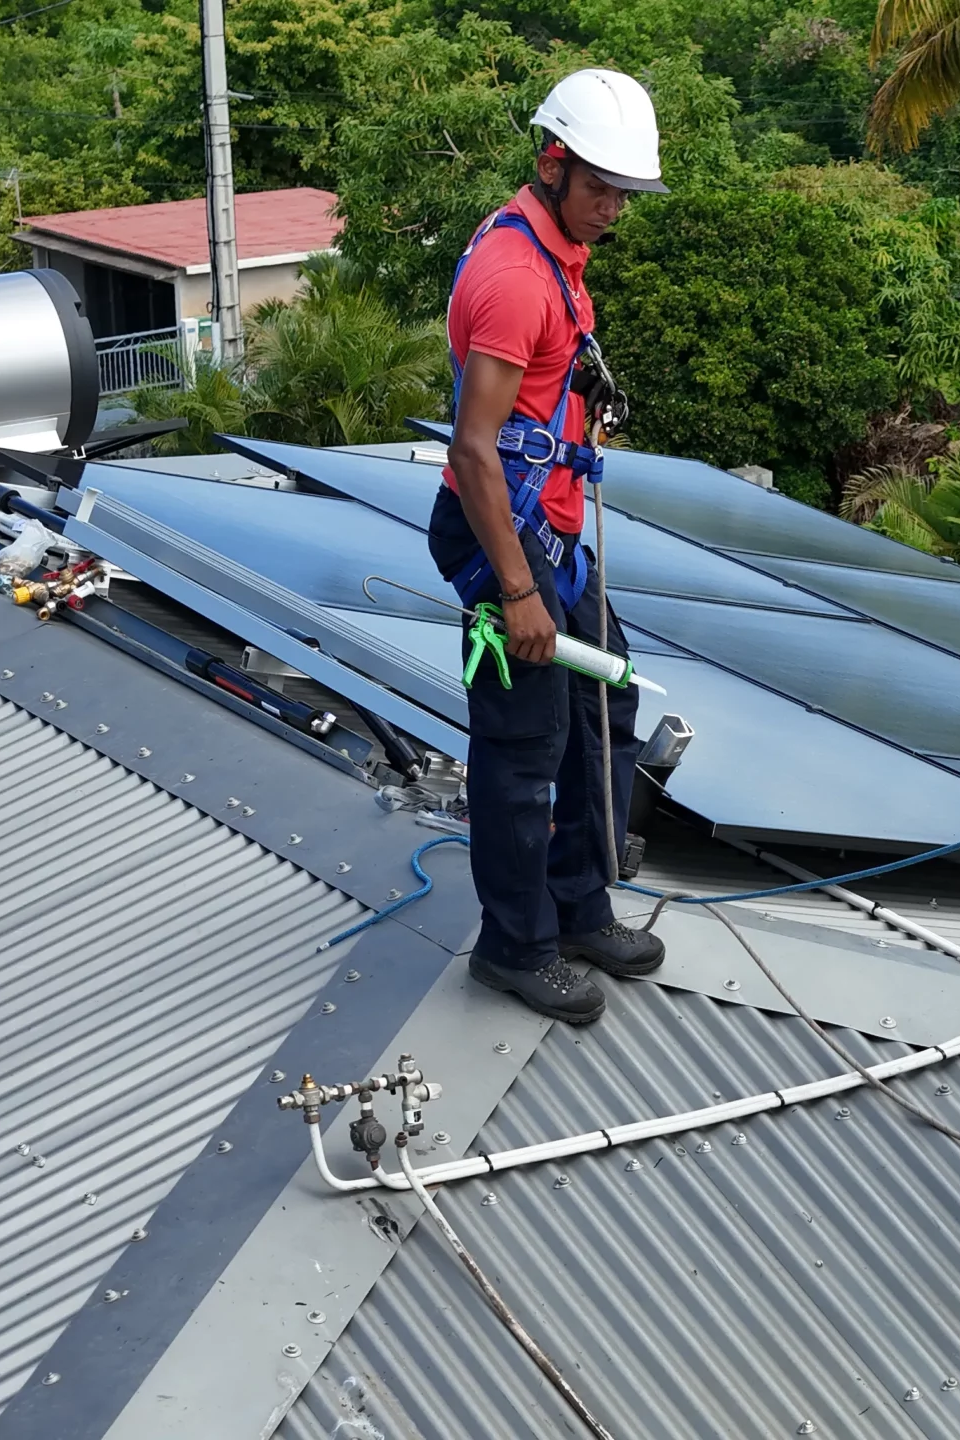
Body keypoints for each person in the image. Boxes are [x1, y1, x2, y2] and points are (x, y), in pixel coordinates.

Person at [427, 69, 669, 1025]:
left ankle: (578, 907)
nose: (613, 207)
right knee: (526, 747)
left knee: (602, 700)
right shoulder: (515, 277)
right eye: (600, 186)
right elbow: (474, 449)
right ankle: (515, 944)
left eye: (624, 192)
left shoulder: (557, 248)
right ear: (552, 163)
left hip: (554, 525)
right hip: (507, 533)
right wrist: (519, 593)